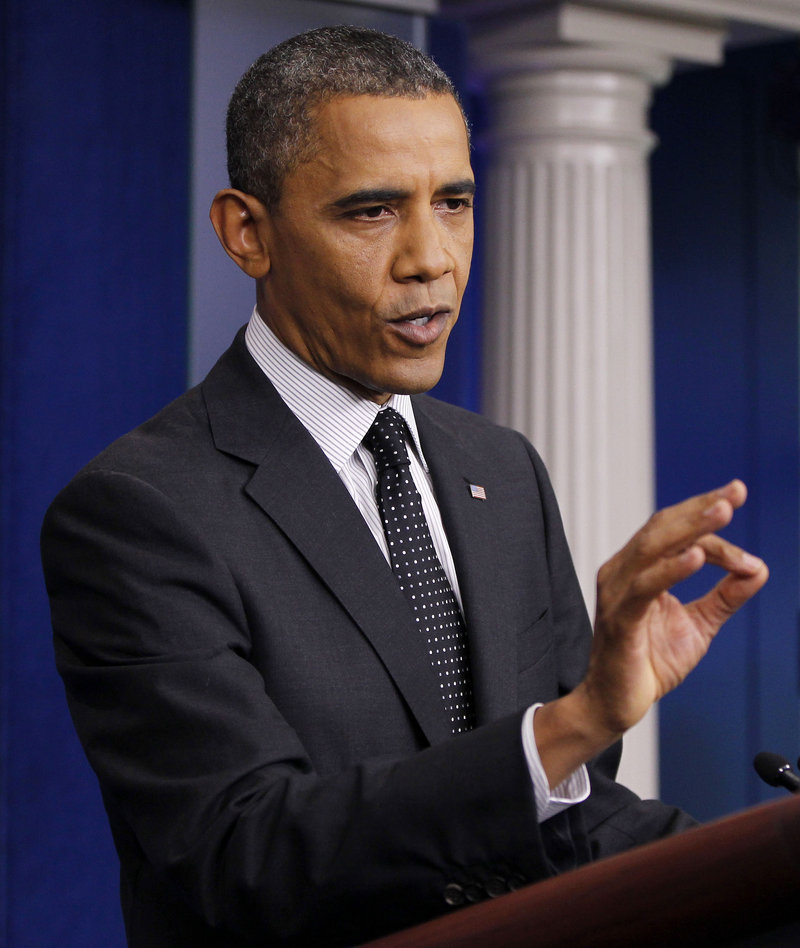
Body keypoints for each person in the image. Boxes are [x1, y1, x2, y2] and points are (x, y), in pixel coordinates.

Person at [41, 25, 768, 948]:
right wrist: (571, 725)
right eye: (372, 212)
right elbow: (245, 853)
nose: (432, 258)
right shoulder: (138, 512)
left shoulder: (501, 470)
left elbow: (554, 826)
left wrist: (769, 857)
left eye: (455, 202)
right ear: (248, 234)